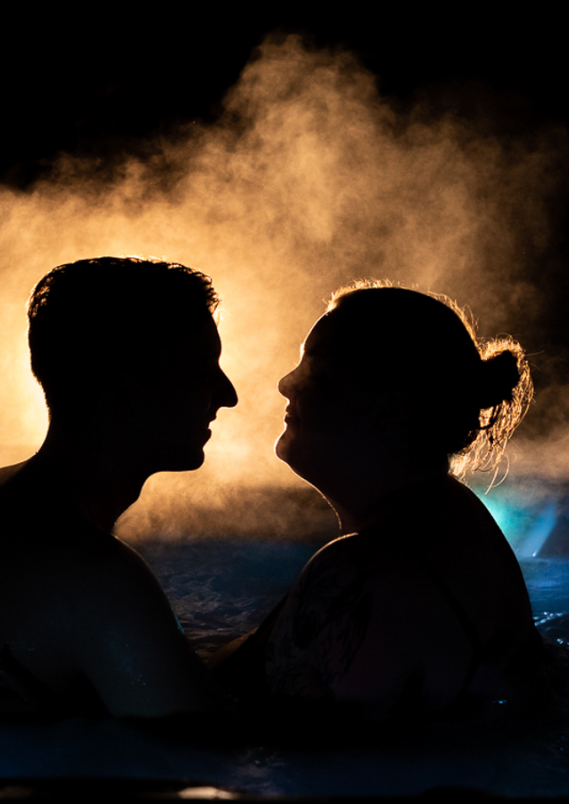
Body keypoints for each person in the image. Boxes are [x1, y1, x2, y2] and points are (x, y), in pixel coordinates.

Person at [0, 257, 237, 719]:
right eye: (204, 369)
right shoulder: (100, 581)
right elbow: (228, 765)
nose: (227, 394)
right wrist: (82, 733)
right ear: (124, 390)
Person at [213, 282, 543, 726]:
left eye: (318, 374)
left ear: (389, 413)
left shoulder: (362, 569)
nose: (286, 383)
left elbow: (295, 766)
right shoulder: (452, 521)